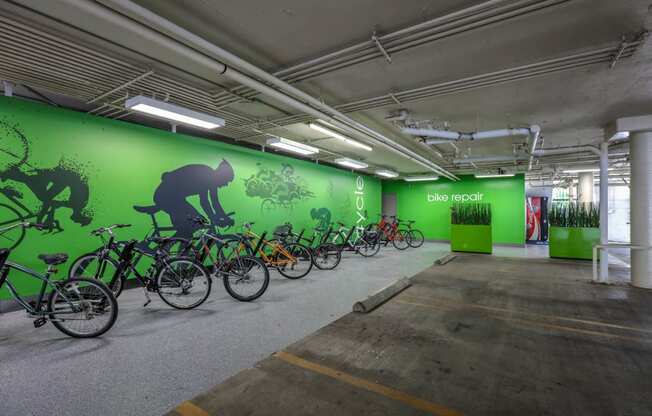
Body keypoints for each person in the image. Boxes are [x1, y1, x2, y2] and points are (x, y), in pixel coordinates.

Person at [134, 159, 235, 238]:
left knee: (195, 226)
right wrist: (215, 218)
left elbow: (215, 203)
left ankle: (182, 260)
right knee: (195, 225)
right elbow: (204, 202)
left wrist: (225, 218)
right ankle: (164, 251)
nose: (226, 184)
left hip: (174, 198)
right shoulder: (207, 175)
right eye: (226, 180)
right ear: (221, 175)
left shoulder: (211, 179)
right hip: (166, 196)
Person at [0, 163, 92, 231]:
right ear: (81, 217)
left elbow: (54, 204)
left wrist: (47, 216)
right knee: (42, 195)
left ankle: (16, 174)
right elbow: (50, 203)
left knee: (40, 190)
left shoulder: (78, 205)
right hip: (65, 177)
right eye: (80, 222)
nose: (76, 222)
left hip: (66, 177)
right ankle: (14, 173)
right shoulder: (77, 204)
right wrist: (39, 220)